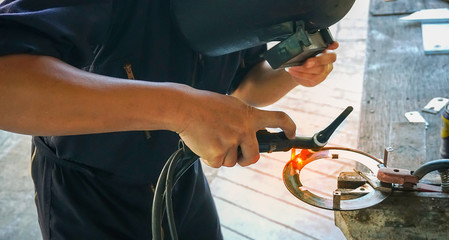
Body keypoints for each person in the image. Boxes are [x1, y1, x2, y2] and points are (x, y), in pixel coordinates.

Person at [0, 0, 337, 239]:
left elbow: (245, 89)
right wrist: (184, 110)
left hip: (180, 179)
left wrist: (293, 73)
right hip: (91, 195)